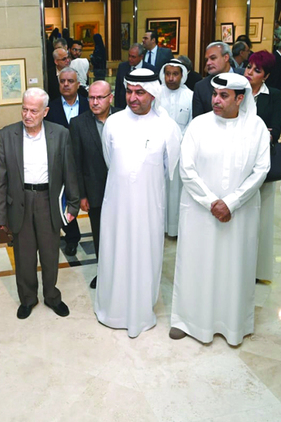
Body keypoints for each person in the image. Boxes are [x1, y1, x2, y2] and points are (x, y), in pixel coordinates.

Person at [169, 73, 270, 344]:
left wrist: (232, 202)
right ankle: (187, 320)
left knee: (234, 267)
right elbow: (186, 169)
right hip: (200, 212)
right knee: (196, 264)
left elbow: (261, 170)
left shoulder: (257, 128)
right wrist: (212, 202)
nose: (216, 100)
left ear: (240, 99)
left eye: (223, 96)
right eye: (214, 94)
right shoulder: (198, 125)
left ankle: (232, 325)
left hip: (240, 213)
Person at [94, 69, 181, 337]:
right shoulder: (113, 123)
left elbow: (168, 169)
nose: (132, 97)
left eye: (140, 92)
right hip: (116, 207)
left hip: (148, 208)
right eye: (129, 91)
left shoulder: (168, 128)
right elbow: (110, 160)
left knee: (145, 256)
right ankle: (112, 310)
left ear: (153, 94)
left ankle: (141, 312)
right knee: (115, 253)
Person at [0, 88, 80, 320]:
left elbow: (70, 171)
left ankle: (52, 296)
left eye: (33, 111)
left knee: (50, 254)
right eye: (24, 109)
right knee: (24, 256)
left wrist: (73, 205)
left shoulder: (60, 134)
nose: (27, 115)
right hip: (19, 201)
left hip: (48, 200)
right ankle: (28, 299)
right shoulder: (6, 135)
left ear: (45, 112)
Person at [69, 80, 120, 288]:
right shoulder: (78, 124)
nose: (95, 102)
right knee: (100, 234)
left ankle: (124, 272)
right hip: (95, 191)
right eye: (91, 97)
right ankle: (104, 273)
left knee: (124, 233)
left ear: (110, 98)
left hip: (124, 190)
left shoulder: (124, 118)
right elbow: (76, 162)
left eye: (100, 97)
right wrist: (81, 195)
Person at [244, 51, 281, 283]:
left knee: (262, 216)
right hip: (237, 161)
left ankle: (258, 270)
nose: (249, 72)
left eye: (256, 70)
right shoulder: (237, 90)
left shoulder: (274, 95)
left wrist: (259, 133)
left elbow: (274, 131)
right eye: (249, 67)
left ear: (266, 76)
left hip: (262, 163)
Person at [45, 68, 89, 256]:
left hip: (86, 161)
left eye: (70, 81)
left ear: (78, 84)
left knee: (90, 200)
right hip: (60, 161)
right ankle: (72, 237)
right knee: (63, 200)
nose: (66, 84)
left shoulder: (89, 104)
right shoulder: (50, 108)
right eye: (62, 81)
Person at [157, 59, 193, 237]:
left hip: (181, 151)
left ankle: (175, 228)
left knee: (176, 191)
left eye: (175, 74)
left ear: (182, 75)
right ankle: (159, 226)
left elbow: (192, 122)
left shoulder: (190, 96)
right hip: (158, 150)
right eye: (168, 74)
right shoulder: (156, 94)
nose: (171, 78)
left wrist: (178, 141)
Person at [192, 42, 241, 118]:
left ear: (226, 57)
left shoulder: (245, 76)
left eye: (213, 58)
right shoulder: (201, 87)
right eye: (206, 60)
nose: (208, 63)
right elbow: (198, 120)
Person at [114, 44, 155, 109]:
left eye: (133, 57)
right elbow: (118, 89)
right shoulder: (122, 67)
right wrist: (117, 108)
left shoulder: (150, 69)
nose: (130, 59)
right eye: (129, 56)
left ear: (141, 57)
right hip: (123, 106)